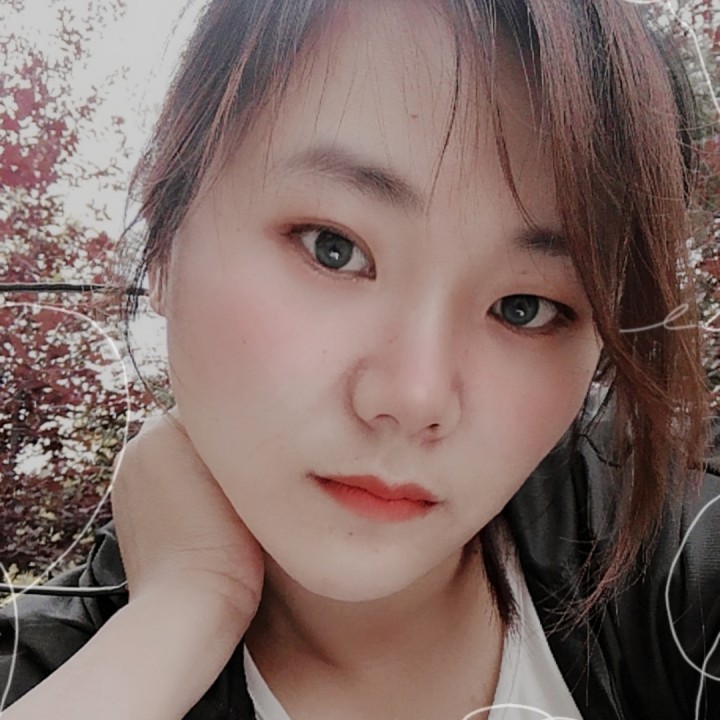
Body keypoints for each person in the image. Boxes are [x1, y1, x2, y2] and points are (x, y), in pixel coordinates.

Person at [1, 0, 718, 718]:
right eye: (333, 248)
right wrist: (183, 609)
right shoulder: (42, 677)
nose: (415, 397)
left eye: (523, 307)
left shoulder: (681, 545)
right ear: (164, 240)